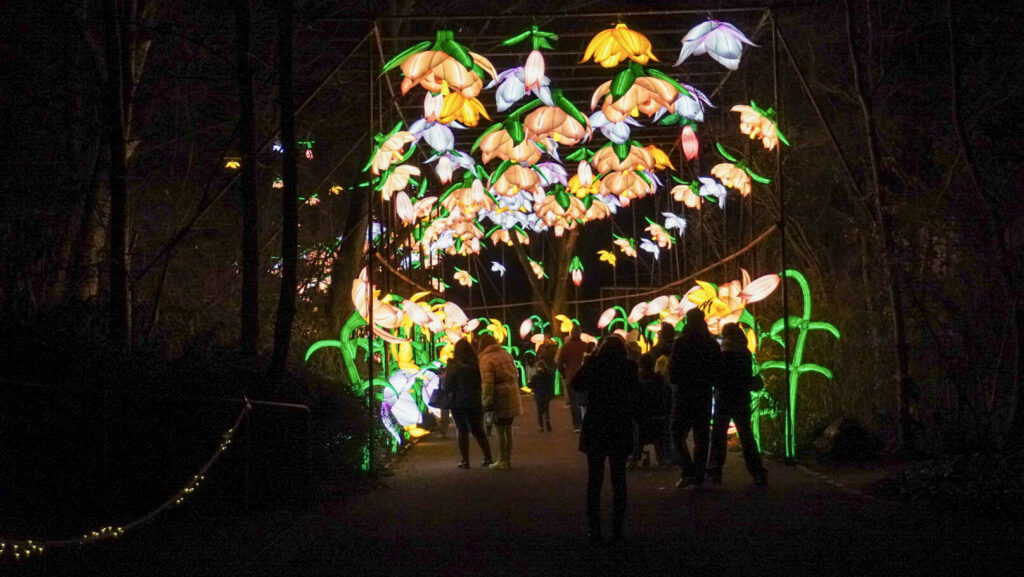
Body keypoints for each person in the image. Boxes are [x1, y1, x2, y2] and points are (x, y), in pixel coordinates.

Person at [572, 335, 639, 544]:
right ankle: (617, 529)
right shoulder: (629, 366)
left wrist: (590, 360)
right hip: (619, 422)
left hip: (597, 423)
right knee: (619, 479)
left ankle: (595, 529)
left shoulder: (594, 363)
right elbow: (635, 392)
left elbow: (576, 384)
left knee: (595, 479)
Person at [708, 323, 768, 485]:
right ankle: (757, 472)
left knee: (718, 436)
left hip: (723, 399)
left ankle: (715, 470)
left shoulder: (722, 353)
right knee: (746, 436)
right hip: (741, 398)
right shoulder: (745, 353)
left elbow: (717, 377)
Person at [668, 308, 721, 489]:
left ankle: (687, 471)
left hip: (683, 394)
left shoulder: (681, 343)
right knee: (702, 436)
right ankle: (697, 474)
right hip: (704, 393)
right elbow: (717, 369)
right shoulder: (711, 343)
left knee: (676, 433)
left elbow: (673, 369)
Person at [443, 338, 493, 469]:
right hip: (475, 400)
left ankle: (465, 460)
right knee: (478, 429)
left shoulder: (453, 365)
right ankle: (488, 457)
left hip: (458, 401)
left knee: (462, 430)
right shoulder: (477, 364)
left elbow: (446, 385)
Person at [478, 333, 522, 470]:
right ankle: (507, 458)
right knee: (508, 429)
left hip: (499, 396)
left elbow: (487, 383)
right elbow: (515, 374)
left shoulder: (486, 359)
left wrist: (486, 401)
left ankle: (502, 459)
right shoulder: (506, 354)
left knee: (499, 429)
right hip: (511, 393)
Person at [632, 353, 673, 468]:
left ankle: (635, 455)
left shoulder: (636, 383)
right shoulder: (662, 383)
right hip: (660, 420)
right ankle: (663, 456)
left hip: (640, 422)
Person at [556, 325, 590, 432]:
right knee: (584, 401)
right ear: (580, 334)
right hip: (584, 377)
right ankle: (585, 422)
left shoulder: (566, 347)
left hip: (571, 376)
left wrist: (564, 373)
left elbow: (559, 362)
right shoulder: (585, 346)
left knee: (574, 402)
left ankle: (577, 425)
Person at [530, 337, 558, 432]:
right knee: (546, 407)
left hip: (538, 392)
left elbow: (536, 359)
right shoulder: (553, 351)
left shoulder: (536, 375)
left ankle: (541, 426)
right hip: (547, 386)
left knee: (539, 409)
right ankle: (547, 421)